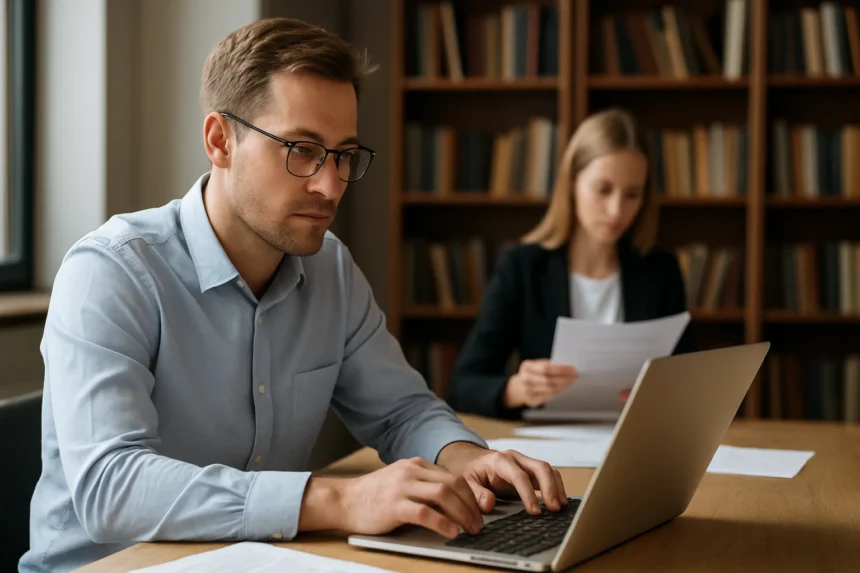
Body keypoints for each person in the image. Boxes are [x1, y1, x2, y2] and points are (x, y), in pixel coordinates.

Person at [19, 18, 569, 573]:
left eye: (344, 154)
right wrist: (339, 499)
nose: (330, 185)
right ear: (219, 141)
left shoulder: (331, 266)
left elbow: (401, 412)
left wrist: (470, 460)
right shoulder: (111, 272)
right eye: (302, 150)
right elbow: (110, 488)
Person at [446, 108, 696, 421]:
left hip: (637, 439)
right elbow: (462, 385)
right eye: (603, 190)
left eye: (632, 194)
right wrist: (519, 389)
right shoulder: (523, 267)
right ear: (572, 183)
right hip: (548, 447)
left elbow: (690, 383)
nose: (617, 210)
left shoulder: (660, 270)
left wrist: (659, 396)